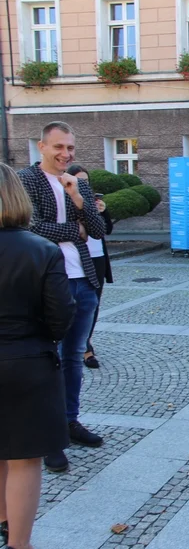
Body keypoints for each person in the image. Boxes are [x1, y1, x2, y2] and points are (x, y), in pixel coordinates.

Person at [18, 121, 106, 473]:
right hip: (46, 282)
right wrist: (75, 230)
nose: (65, 154)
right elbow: (31, 226)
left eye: (70, 148)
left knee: (72, 357)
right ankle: (49, 437)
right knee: (48, 359)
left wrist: (77, 198)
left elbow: (98, 231)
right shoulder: (27, 180)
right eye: (58, 147)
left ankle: (70, 422)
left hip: (83, 280)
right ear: (42, 146)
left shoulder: (78, 182)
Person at [0, 163, 76, 549]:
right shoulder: (42, 250)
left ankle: (1, 523)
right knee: (25, 459)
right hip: (28, 361)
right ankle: (19, 543)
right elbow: (61, 317)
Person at [67, 165, 113, 370]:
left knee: (93, 303)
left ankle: (86, 344)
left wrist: (102, 212)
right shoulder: (66, 201)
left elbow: (107, 230)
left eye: (86, 181)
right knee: (73, 304)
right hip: (76, 258)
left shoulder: (95, 203)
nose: (83, 184)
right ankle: (79, 346)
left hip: (97, 257)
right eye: (79, 180)